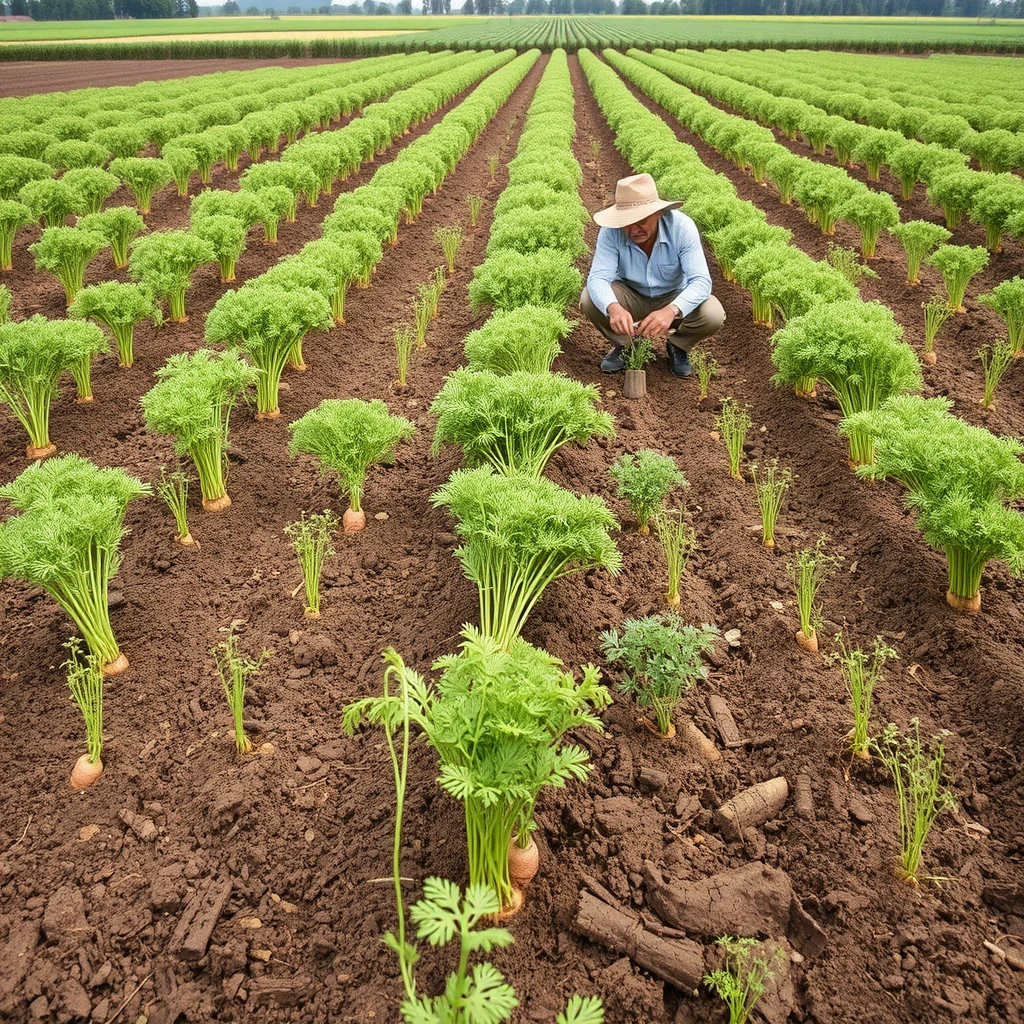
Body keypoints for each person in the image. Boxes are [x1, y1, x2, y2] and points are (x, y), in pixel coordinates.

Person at [581, 173, 725, 378]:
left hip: (672, 295)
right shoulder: (610, 232)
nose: (633, 229)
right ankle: (626, 345)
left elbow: (701, 281)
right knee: (590, 299)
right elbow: (598, 278)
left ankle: (678, 346)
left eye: (641, 220)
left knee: (712, 313)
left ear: (658, 213)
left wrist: (671, 310)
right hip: (630, 294)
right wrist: (614, 309)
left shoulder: (682, 228)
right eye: (626, 222)